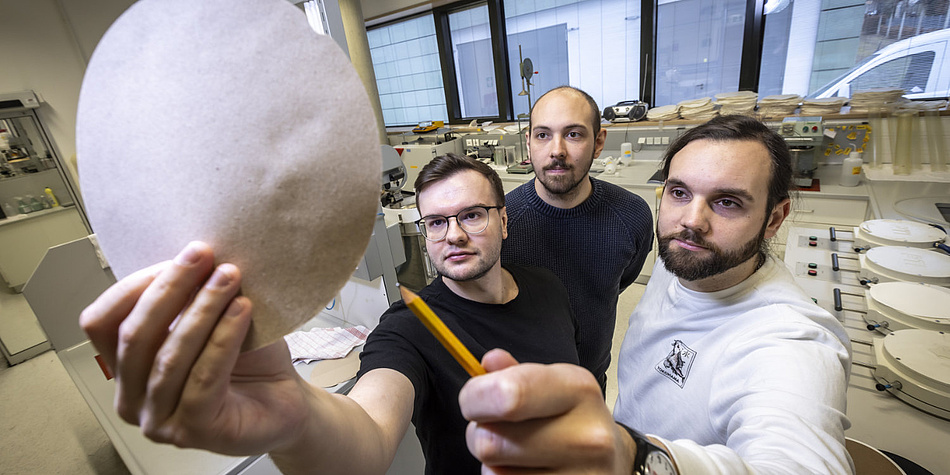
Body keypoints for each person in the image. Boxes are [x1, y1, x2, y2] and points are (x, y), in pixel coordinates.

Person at [79, 153, 579, 474]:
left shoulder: (549, 288)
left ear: (505, 221)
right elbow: (366, 435)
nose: (453, 235)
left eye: (471, 214)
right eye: (436, 222)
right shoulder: (409, 329)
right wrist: (295, 420)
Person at [459, 114, 854, 474]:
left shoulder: (790, 340)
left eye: (727, 202)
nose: (692, 222)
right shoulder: (682, 260)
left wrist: (635, 457)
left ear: (773, 219)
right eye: (680, 193)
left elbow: (800, 463)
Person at [502, 86, 654, 392]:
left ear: (599, 142)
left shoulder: (631, 216)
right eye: (543, 135)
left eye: (573, 134)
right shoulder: (502, 224)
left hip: (592, 383)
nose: (556, 150)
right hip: (521, 391)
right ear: (528, 142)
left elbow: (620, 281)